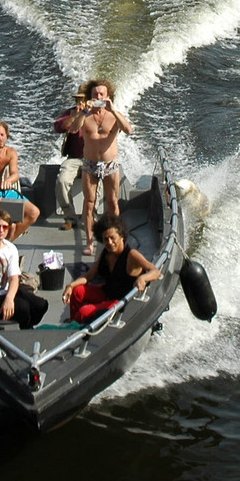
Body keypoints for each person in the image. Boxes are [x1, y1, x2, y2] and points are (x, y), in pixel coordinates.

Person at [63, 212, 159, 324]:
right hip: (107, 292)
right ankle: (73, 323)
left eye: (112, 238)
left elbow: (155, 271)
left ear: (121, 236)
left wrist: (142, 278)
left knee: (85, 311)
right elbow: (89, 275)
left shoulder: (132, 255)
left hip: (120, 300)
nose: (109, 242)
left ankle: (81, 328)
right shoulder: (106, 253)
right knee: (77, 292)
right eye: (105, 239)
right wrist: (71, 286)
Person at [76, 79, 133, 255]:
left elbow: (128, 130)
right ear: (90, 96)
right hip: (90, 164)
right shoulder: (85, 116)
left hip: (110, 165)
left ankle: (116, 238)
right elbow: (72, 129)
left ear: (107, 96)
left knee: (112, 201)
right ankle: (90, 242)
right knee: (89, 203)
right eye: (95, 95)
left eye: (102, 94)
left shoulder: (114, 116)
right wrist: (84, 110)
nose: (98, 97)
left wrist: (113, 109)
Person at [51, 84, 91, 230]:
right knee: (62, 181)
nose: (80, 102)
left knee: (97, 184)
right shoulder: (71, 113)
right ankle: (70, 217)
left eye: (84, 99)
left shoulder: (97, 113)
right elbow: (59, 127)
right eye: (78, 99)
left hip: (93, 158)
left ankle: (92, 218)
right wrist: (75, 116)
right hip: (74, 158)